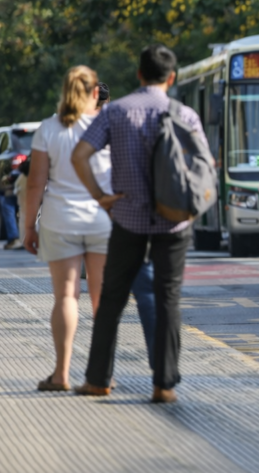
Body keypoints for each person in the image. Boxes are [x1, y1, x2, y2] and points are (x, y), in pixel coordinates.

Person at [70, 45, 209, 404]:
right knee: (168, 299)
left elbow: (79, 155)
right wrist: (193, 207)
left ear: (138, 74)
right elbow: (206, 167)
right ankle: (164, 385)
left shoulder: (115, 112)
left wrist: (101, 197)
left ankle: (98, 379)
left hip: (127, 220)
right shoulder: (185, 114)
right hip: (174, 223)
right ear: (172, 77)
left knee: (112, 299)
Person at [23, 66, 112, 392]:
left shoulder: (49, 128)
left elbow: (35, 183)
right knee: (102, 299)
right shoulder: (107, 125)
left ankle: (61, 374)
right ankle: (102, 376)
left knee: (65, 296)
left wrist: (28, 226)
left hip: (60, 220)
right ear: (93, 93)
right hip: (102, 220)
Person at [97, 81, 158, 373]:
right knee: (150, 293)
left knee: (106, 298)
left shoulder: (84, 125)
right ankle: (162, 373)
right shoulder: (171, 113)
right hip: (142, 218)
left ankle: (99, 376)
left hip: (100, 217)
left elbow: (77, 159)